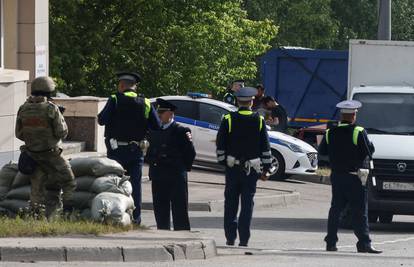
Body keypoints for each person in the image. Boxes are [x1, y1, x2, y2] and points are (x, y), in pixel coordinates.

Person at [318, 100, 382, 254]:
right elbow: (368, 151)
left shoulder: (329, 132)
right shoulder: (358, 131)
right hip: (355, 177)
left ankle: (331, 243)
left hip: (337, 177)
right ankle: (364, 243)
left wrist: (324, 176)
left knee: (335, 210)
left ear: (342, 115)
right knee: (360, 211)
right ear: (353, 115)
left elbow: (322, 154)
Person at [97, 71, 160, 224]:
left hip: (116, 151)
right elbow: (156, 126)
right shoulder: (145, 102)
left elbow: (101, 120)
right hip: (136, 151)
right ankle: (135, 219)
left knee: (114, 184)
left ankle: (113, 217)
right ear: (134, 87)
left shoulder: (114, 100)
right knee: (135, 186)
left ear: (122, 85)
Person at [216, 87, 273, 247]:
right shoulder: (259, 120)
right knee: (247, 205)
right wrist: (266, 168)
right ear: (252, 101)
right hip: (251, 170)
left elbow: (221, 143)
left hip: (232, 168)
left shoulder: (228, 119)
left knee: (230, 203)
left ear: (237, 101)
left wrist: (223, 162)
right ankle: (244, 239)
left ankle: (230, 237)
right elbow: (265, 146)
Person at [15, 76, 76, 218]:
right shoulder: (51, 109)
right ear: (49, 91)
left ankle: (35, 215)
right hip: (52, 155)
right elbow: (63, 133)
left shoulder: (23, 109)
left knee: (36, 188)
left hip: (33, 155)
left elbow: (19, 134)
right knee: (69, 181)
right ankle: (68, 214)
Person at [147, 98, 196, 230]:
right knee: (160, 208)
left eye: (161, 113)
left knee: (179, 208)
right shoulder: (154, 130)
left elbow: (190, 153)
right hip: (158, 174)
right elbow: (149, 152)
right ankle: (163, 233)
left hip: (175, 175)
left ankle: (182, 236)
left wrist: (182, 168)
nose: (159, 116)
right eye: (158, 113)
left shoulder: (181, 131)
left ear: (170, 114)